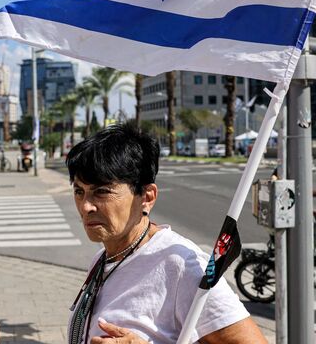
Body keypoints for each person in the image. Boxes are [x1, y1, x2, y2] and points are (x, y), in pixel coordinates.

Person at [66, 124, 267, 344]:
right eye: (79, 191)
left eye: (102, 192)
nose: (86, 206)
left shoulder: (182, 265)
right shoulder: (103, 258)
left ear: (147, 197)